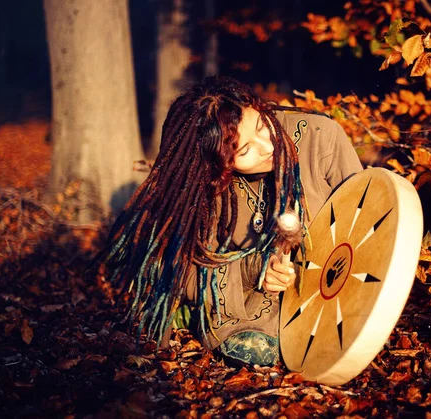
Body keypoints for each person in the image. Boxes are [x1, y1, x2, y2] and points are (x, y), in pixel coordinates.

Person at [102, 76, 362, 367]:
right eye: (244, 150)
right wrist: (259, 272)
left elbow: (367, 215)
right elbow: (191, 266)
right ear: (219, 162)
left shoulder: (320, 136)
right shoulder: (205, 190)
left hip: (337, 282)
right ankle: (186, 313)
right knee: (265, 351)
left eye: (263, 125)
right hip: (253, 306)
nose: (267, 146)